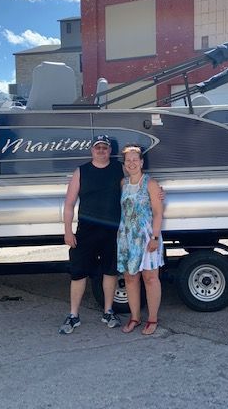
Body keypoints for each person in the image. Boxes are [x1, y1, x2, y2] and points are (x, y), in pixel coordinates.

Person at [59, 134, 123, 334]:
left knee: (110, 271)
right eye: (98, 147)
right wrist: (68, 231)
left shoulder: (119, 169)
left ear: (110, 150)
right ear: (92, 150)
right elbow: (69, 204)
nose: (101, 150)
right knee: (78, 273)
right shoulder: (81, 171)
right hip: (86, 231)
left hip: (112, 230)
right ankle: (73, 315)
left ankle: (108, 311)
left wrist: (156, 192)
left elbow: (134, 189)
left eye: (105, 147)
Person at [117, 144, 165, 336]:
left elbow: (158, 213)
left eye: (135, 159)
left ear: (142, 162)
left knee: (150, 278)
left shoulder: (151, 184)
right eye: (128, 160)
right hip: (127, 237)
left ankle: (152, 319)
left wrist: (154, 237)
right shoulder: (123, 184)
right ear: (125, 164)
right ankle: (135, 317)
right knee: (130, 278)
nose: (132, 163)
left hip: (146, 237)